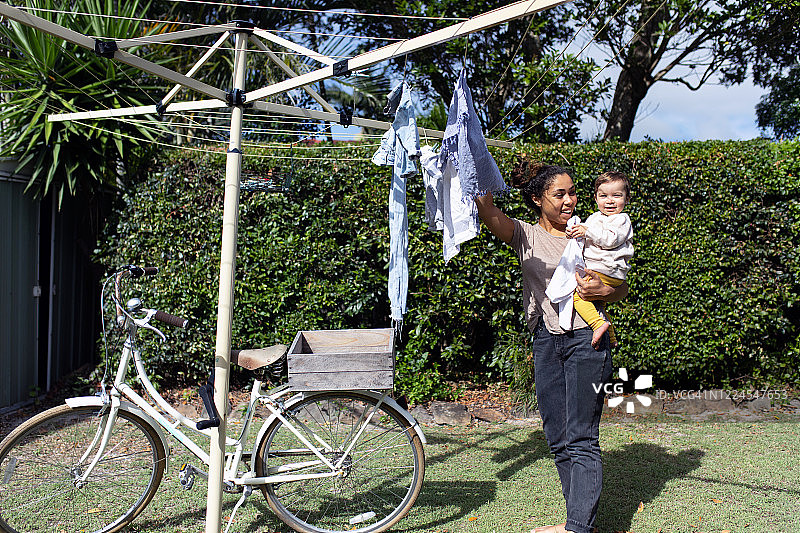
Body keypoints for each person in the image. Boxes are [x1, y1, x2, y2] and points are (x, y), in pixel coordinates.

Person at [474, 157, 627, 533]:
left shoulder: (590, 230)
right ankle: (578, 523)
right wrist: (472, 162)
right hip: (545, 340)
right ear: (538, 200)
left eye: (573, 192)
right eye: (559, 194)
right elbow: (487, 211)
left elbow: (620, 285)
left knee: (581, 436)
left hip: (586, 341)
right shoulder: (525, 234)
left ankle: (576, 528)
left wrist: (604, 289)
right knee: (557, 437)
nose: (569, 200)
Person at [565, 171, 634, 349]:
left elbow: (610, 239)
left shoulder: (621, 219)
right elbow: (585, 234)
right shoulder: (595, 217)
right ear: (596, 198)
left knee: (578, 296)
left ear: (627, 199)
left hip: (608, 270)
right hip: (601, 270)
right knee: (599, 305)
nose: (609, 201)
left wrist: (586, 231)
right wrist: (574, 232)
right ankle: (611, 339)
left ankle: (597, 324)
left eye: (617, 196)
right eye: (603, 196)